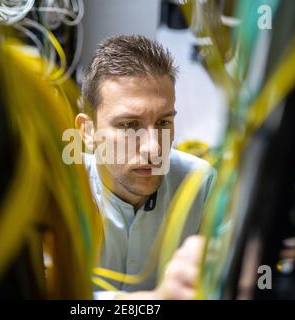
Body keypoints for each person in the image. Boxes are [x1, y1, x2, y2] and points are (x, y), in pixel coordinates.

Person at [75, 35, 215, 299]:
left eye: (163, 123)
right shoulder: (60, 191)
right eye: (129, 125)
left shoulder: (200, 184)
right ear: (88, 131)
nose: (153, 148)